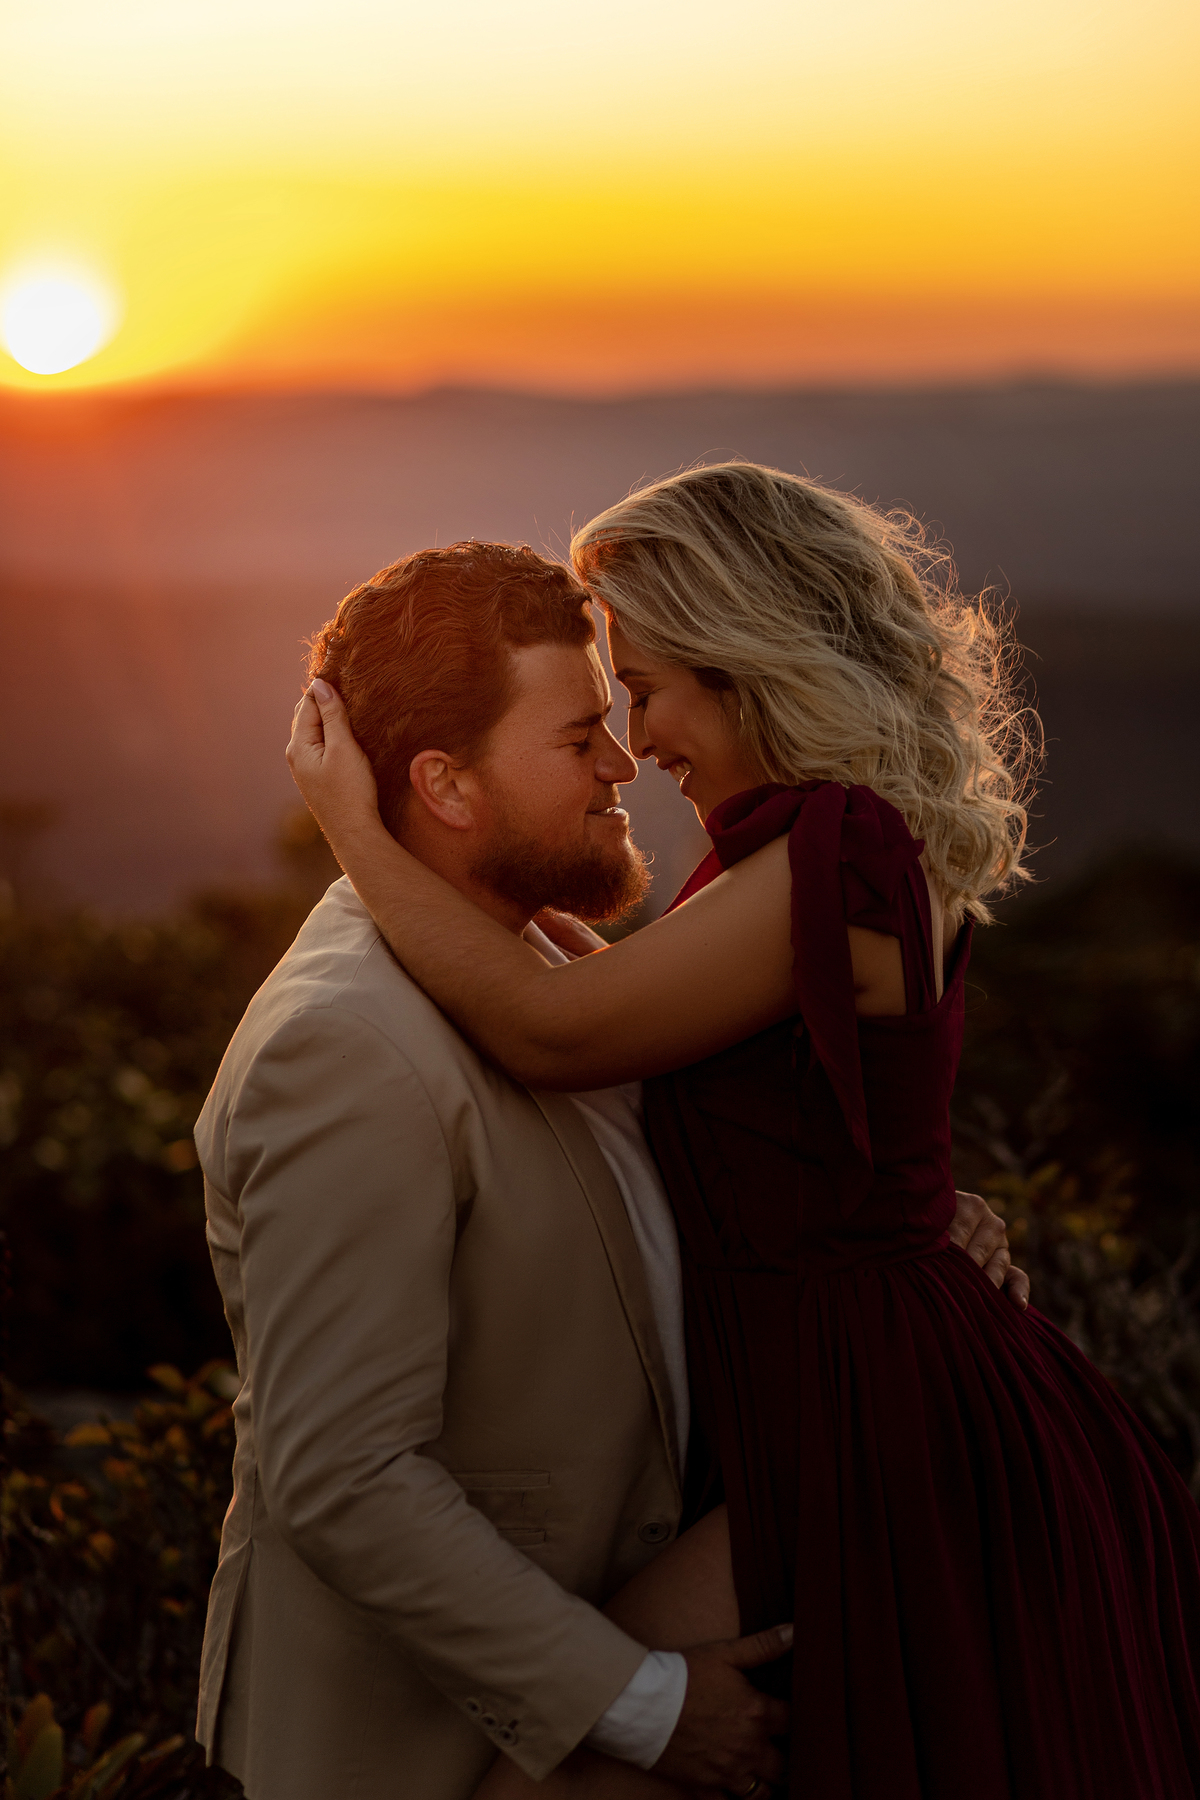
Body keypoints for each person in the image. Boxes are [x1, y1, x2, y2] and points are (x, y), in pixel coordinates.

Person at [289, 466, 1200, 1800]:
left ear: (748, 664)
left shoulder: (834, 854)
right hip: (854, 1398)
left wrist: (356, 834)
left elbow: (555, 1034)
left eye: (648, 689)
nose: (638, 740)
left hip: (869, 1429)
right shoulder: (811, 854)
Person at [196, 538, 1021, 1800]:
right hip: (417, 1754)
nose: (625, 763)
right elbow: (343, 1479)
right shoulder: (346, 1045)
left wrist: (909, 1232)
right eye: (581, 735)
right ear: (447, 786)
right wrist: (646, 1705)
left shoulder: (568, 968)